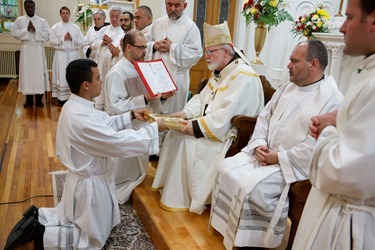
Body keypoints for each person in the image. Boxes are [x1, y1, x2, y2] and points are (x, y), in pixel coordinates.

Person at [4, 58, 167, 250]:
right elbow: (116, 143)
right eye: (98, 78)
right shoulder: (82, 117)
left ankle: (37, 218)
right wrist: (155, 129)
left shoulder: (76, 106)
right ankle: (38, 239)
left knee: (90, 223)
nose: (101, 81)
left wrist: (130, 115)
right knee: (89, 240)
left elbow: (104, 124)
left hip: (87, 180)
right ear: (86, 85)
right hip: (90, 188)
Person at [209, 40, 344, 249]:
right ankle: (227, 232)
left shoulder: (332, 99)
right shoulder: (288, 87)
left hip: (286, 166)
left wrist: (278, 158)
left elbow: (316, 146)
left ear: (314, 64)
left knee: (250, 187)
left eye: (294, 61)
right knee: (224, 168)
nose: (288, 65)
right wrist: (259, 144)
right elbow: (264, 117)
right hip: (263, 153)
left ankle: (250, 243)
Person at [151, 21, 264, 215]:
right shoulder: (221, 71)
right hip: (213, 126)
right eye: (207, 51)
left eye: (211, 52)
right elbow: (202, 97)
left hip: (228, 135)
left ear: (226, 52)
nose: (207, 56)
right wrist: (185, 114)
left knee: (187, 139)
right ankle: (168, 189)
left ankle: (184, 198)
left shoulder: (243, 76)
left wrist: (195, 127)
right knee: (175, 133)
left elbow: (227, 116)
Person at [293, 1, 375, 249]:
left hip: (347, 225)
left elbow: (342, 170)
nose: (342, 28)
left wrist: (328, 130)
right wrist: (338, 119)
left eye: (349, 17)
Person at [105, 30, 173, 204]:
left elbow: (150, 97)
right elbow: (115, 106)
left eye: (145, 47)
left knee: (138, 171)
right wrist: (143, 99)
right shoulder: (117, 73)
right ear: (128, 47)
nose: (145, 51)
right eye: (141, 47)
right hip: (125, 127)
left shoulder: (141, 67)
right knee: (123, 176)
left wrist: (162, 96)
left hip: (140, 123)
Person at [145, 0, 202, 114]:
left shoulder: (190, 27)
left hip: (176, 78)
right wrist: (154, 46)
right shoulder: (158, 23)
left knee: (171, 117)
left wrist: (172, 47)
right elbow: (145, 43)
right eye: (169, 5)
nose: (172, 9)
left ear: (184, 6)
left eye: (177, 5)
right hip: (156, 76)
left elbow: (196, 53)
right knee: (153, 114)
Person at [11, 0, 51, 108]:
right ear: (24, 8)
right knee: (27, 74)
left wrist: (35, 30)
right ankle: (28, 100)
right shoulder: (20, 20)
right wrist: (26, 29)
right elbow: (14, 33)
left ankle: (39, 100)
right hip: (26, 49)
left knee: (38, 74)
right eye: (27, 7)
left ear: (34, 7)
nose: (30, 9)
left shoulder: (41, 21)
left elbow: (48, 35)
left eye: (31, 7)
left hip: (38, 49)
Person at [50, 6, 85, 106]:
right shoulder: (55, 27)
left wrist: (72, 38)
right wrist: (63, 39)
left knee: (73, 75)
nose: (65, 15)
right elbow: (51, 41)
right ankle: (61, 98)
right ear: (60, 14)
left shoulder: (75, 27)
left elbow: (83, 41)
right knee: (61, 75)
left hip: (72, 54)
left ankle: (73, 97)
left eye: (67, 13)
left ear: (70, 14)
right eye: (63, 13)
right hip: (61, 55)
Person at [91, 6, 124, 110]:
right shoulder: (104, 29)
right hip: (100, 63)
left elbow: (119, 48)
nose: (114, 19)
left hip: (112, 64)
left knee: (109, 87)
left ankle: (108, 109)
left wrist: (110, 42)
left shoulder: (123, 32)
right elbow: (93, 44)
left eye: (117, 17)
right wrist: (102, 42)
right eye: (112, 16)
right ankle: (98, 107)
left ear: (121, 17)